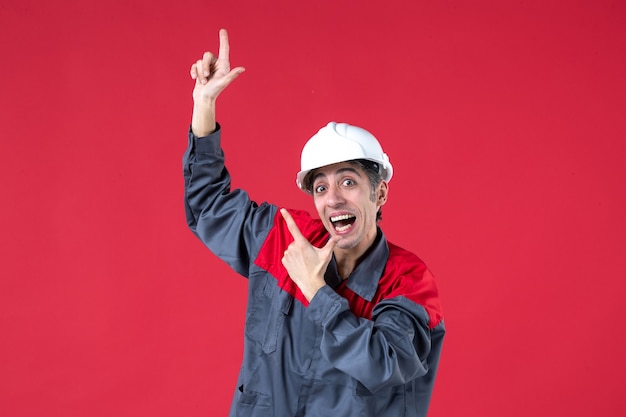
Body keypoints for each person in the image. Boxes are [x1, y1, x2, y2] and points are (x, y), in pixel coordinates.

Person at [183, 29, 445, 417]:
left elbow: (384, 363)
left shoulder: (408, 282)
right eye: (320, 187)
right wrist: (204, 105)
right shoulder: (284, 237)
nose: (334, 197)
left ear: (381, 194)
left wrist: (315, 290)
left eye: (349, 181)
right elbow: (207, 207)